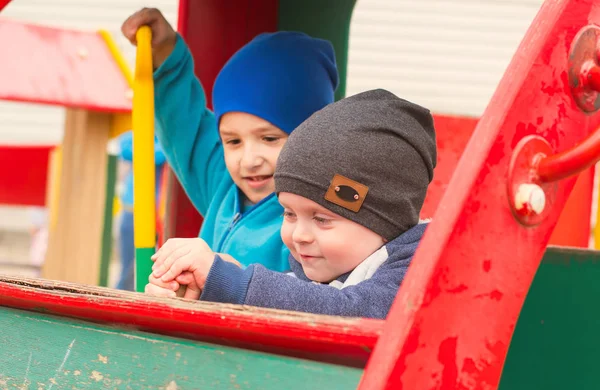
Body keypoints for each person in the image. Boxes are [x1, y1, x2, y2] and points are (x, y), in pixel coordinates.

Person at [145, 89, 437, 319]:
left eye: (321, 219)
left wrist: (232, 282)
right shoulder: (313, 272)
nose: (299, 235)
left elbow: (351, 311)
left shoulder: (418, 268)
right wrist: (206, 287)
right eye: (289, 213)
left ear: (386, 220)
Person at [121, 8, 339, 272]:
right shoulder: (222, 184)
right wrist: (165, 50)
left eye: (269, 138)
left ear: (313, 138)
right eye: (233, 141)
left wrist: (220, 278)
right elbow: (182, 124)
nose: (248, 160)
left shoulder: (318, 222)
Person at [115, 131, 166, 291]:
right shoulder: (139, 133)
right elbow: (123, 148)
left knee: (153, 268)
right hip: (133, 211)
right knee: (128, 267)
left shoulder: (165, 139)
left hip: (158, 214)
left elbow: (159, 156)